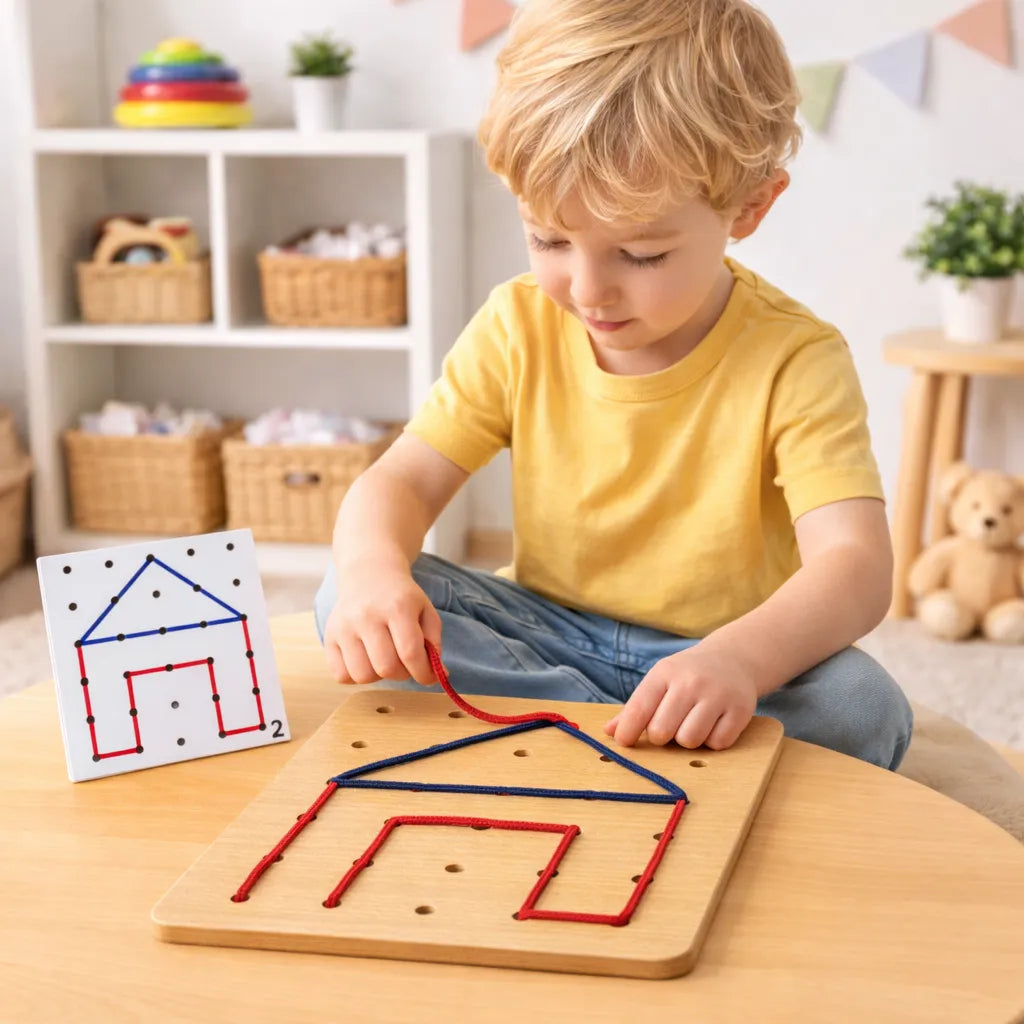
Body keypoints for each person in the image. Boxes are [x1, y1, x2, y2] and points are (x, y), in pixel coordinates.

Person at [314, 0, 913, 770]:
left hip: (721, 651)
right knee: (347, 594)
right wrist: (371, 574)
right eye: (549, 239)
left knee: (863, 709)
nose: (588, 290)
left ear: (750, 206)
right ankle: (631, 736)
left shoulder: (797, 356)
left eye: (640, 254)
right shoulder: (516, 324)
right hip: (545, 627)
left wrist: (740, 661)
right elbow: (400, 481)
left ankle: (569, 731)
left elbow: (855, 569)